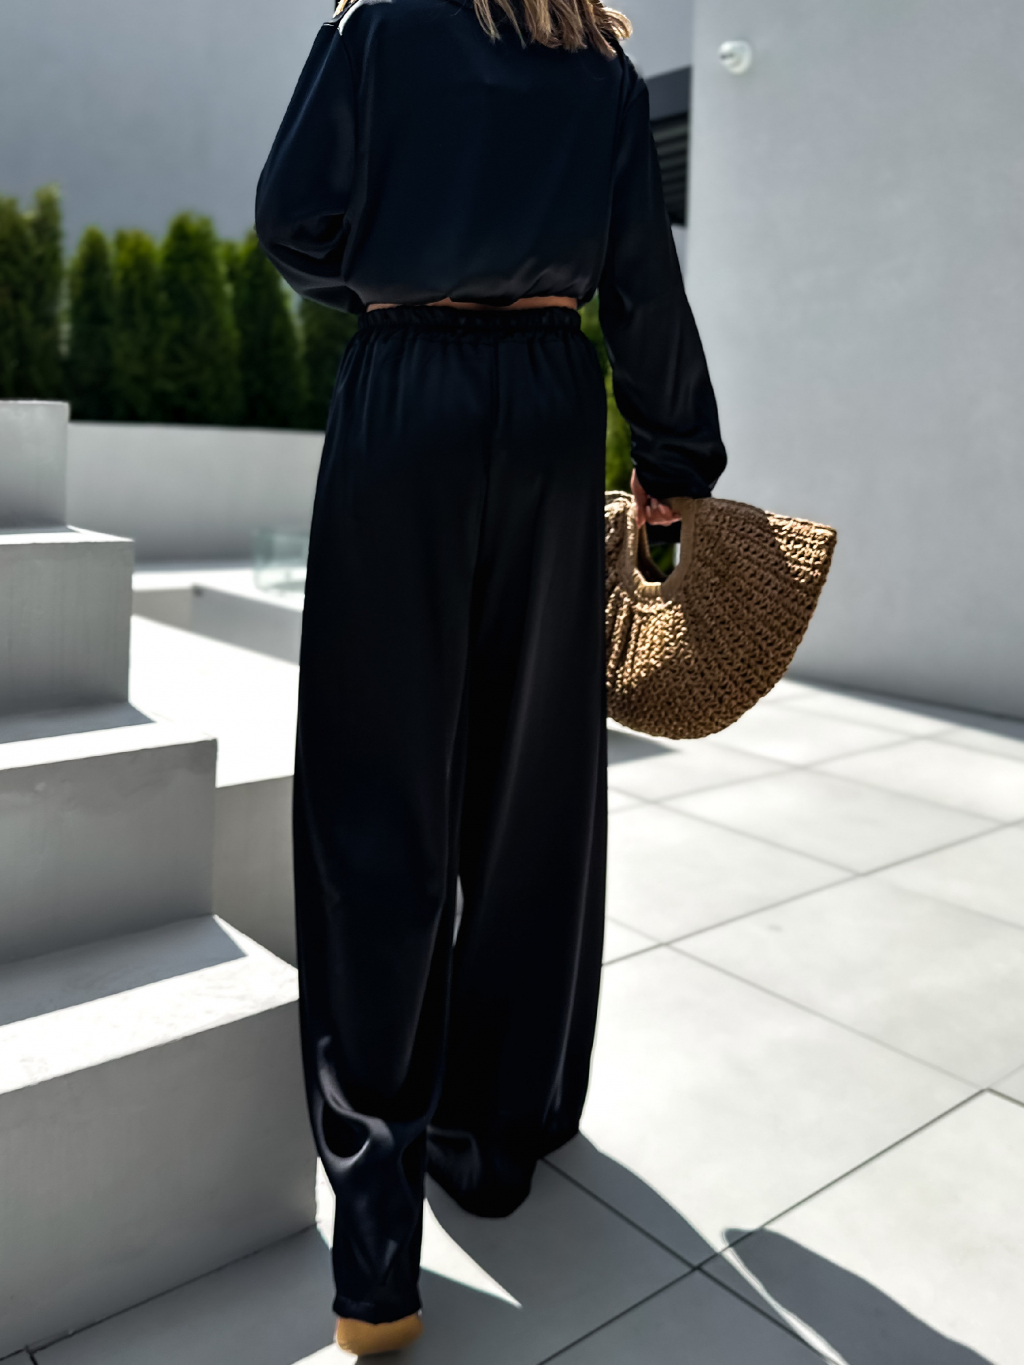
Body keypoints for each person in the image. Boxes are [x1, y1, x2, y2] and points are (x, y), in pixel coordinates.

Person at [256, 0, 725, 1351]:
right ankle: (493, 1139)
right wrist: (677, 459)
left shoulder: (375, 27)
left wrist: (398, 268)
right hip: (546, 410)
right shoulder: (600, 60)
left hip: (404, 394)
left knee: (376, 793)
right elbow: (641, 276)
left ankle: (376, 1252)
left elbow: (292, 220)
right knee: (529, 793)